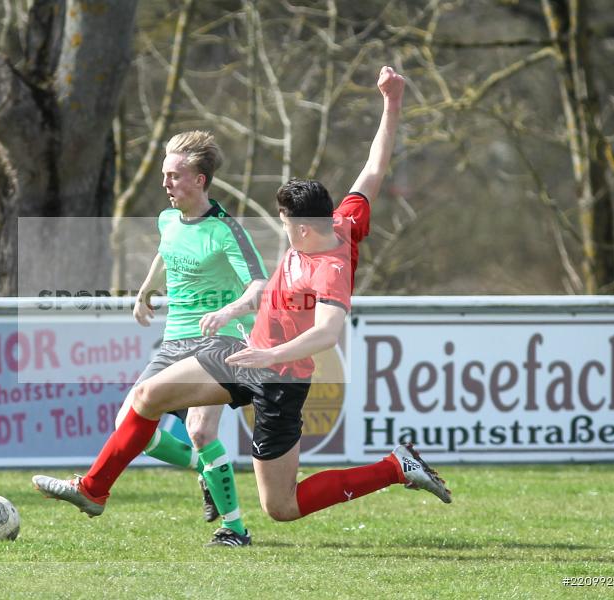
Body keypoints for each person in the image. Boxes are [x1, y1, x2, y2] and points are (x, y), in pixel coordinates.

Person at [33, 66, 451, 534]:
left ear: (302, 228)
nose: (281, 228)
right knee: (147, 396)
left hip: (281, 378)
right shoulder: (342, 220)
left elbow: (327, 333)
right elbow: (374, 169)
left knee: (282, 506)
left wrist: (270, 355)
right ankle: (94, 490)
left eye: (284, 222)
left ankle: (395, 467)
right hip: (243, 354)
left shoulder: (330, 270)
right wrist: (392, 102)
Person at [117, 130, 268, 546]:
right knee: (128, 425)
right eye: (164, 174)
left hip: (221, 341)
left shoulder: (227, 230)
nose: (165, 183)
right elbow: (166, 250)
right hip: (176, 341)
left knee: (201, 431)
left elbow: (260, 286)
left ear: (200, 180)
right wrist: (146, 288)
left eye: (174, 176)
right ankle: (206, 469)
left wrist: (228, 312)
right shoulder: (168, 219)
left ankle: (235, 529)